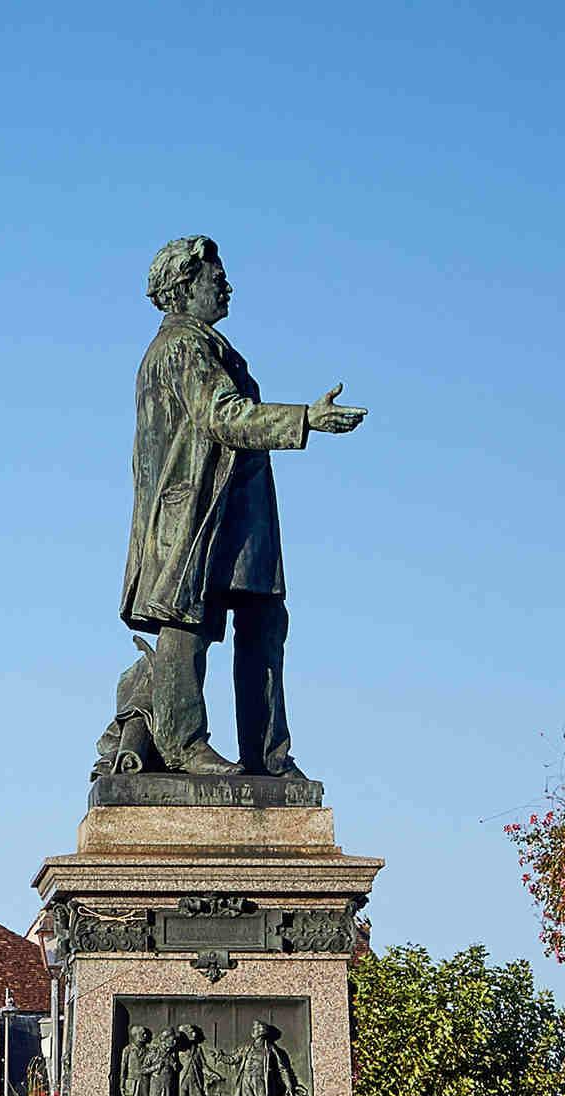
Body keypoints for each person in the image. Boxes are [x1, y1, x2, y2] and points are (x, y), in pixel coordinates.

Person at [120, 237, 366, 778]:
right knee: (187, 622)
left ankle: (270, 757)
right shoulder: (182, 347)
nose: (226, 285)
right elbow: (225, 416)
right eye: (215, 277)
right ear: (184, 287)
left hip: (240, 516)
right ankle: (184, 744)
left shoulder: (209, 345)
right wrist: (306, 418)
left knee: (264, 623)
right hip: (198, 515)